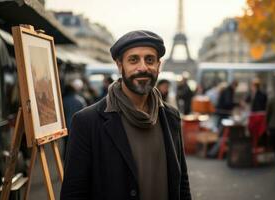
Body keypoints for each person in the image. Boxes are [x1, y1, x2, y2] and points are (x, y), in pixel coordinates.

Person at [61, 30, 192, 200]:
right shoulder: (87, 121)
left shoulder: (171, 116)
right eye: (133, 60)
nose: (143, 67)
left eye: (150, 60)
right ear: (120, 65)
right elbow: (74, 192)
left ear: (159, 66)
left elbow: (182, 182)